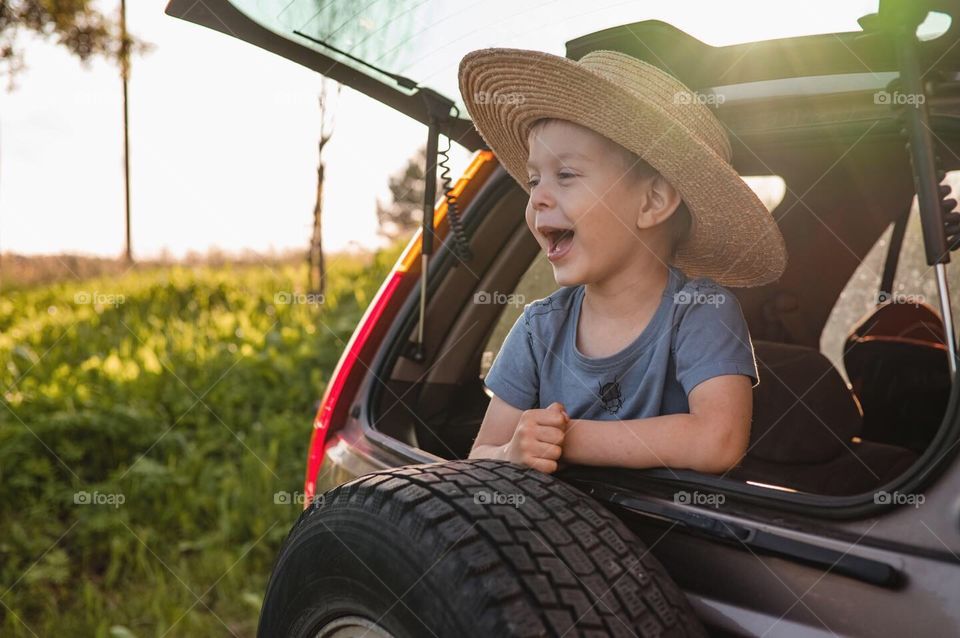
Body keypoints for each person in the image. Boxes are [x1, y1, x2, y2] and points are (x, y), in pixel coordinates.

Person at [458, 48, 787, 474]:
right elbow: (480, 455)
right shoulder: (539, 329)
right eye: (534, 179)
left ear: (652, 202)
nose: (536, 196)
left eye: (566, 175)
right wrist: (510, 454)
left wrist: (564, 438)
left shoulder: (701, 312)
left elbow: (717, 441)